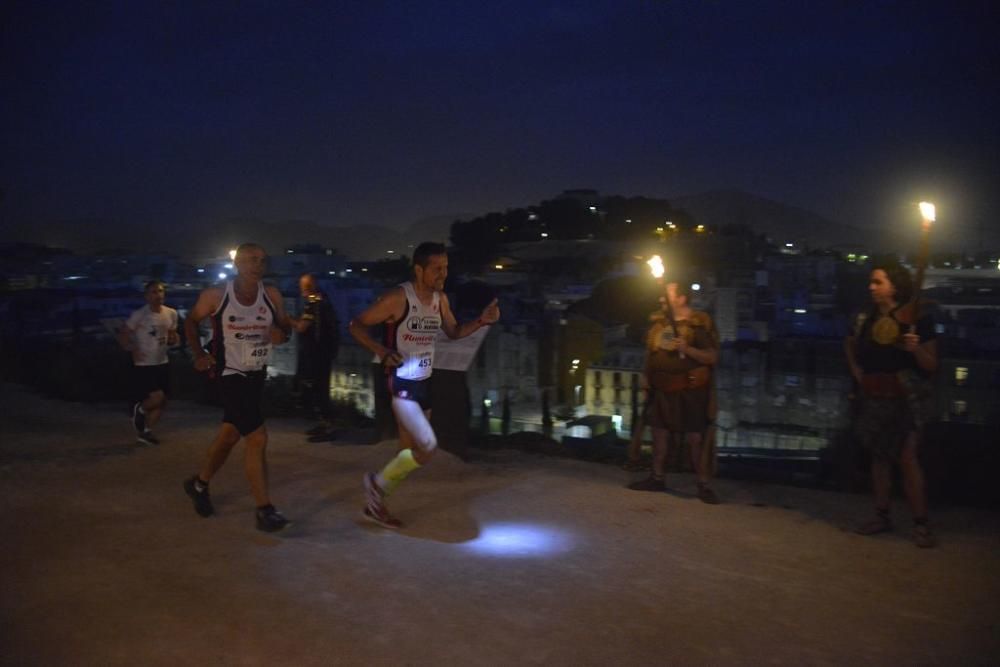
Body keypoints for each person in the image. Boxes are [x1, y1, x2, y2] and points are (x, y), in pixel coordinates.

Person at [349, 241, 500, 528]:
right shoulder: (398, 298)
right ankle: (375, 485)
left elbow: (454, 332)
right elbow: (356, 325)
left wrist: (481, 321)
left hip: (423, 383)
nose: (443, 274)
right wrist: (380, 350)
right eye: (436, 269)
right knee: (428, 447)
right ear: (419, 270)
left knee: (407, 454)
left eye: (446, 268)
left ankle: (375, 504)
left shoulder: (439, 299)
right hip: (401, 384)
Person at [182, 243, 294, 533]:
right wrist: (198, 354)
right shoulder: (217, 296)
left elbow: (285, 328)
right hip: (228, 373)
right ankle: (264, 510)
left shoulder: (271, 295)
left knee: (230, 433)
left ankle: (199, 484)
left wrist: (281, 334)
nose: (258, 265)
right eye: (251, 260)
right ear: (238, 264)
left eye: (262, 260)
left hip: (256, 373)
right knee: (257, 437)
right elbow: (191, 322)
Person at [845, 263, 938, 548]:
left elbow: (931, 365)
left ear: (894, 285)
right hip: (874, 396)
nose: (871, 287)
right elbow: (849, 344)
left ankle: (920, 523)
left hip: (905, 398)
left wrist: (915, 348)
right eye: (871, 282)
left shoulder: (917, 317)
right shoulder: (865, 317)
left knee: (907, 458)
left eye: (878, 282)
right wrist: (858, 373)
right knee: (879, 457)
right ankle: (882, 515)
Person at [627, 280, 720, 504]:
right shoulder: (659, 325)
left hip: (689, 392)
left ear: (681, 298)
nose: (661, 299)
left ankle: (703, 485)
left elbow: (711, 357)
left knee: (695, 439)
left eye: (667, 295)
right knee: (659, 435)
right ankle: (657, 478)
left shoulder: (697, 325)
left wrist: (686, 349)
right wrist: (646, 375)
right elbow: (651, 354)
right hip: (662, 390)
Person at [118, 280, 179, 445]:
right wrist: (131, 348)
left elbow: (172, 334)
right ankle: (140, 410)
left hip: (162, 361)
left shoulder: (171, 313)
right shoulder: (140, 314)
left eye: (160, 291)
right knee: (156, 397)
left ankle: (145, 432)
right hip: (145, 364)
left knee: (163, 401)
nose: (158, 295)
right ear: (146, 296)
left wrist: (174, 339)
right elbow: (123, 334)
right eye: (153, 292)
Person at [291, 273, 340, 439]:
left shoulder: (313, 303)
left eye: (303, 286)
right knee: (319, 388)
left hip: (316, 353)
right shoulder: (323, 301)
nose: (301, 290)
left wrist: (286, 319)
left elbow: (302, 327)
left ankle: (328, 426)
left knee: (318, 388)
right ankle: (324, 424)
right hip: (323, 352)